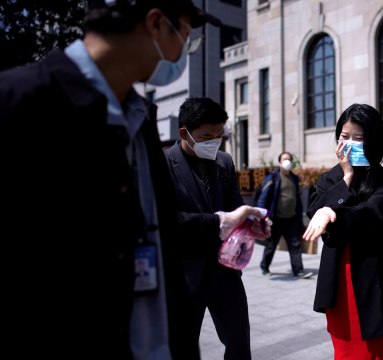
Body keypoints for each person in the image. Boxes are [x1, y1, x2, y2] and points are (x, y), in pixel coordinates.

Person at [0, 0, 238, 358]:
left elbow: (157, 225)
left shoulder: (139, 117)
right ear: (156, 24)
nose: (182, 54)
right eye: (185, 38)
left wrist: (223, 221)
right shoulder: (18, 101)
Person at [302, 103, 383, 359]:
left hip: (378, 280)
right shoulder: (330, 179)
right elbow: (314, 209)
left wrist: (332, 211)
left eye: (359, 138)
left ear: (374, 141)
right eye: (345, 137)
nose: (350, 143)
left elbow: (371, 215)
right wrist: (346, 178)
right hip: (339, 280)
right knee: (347, 350)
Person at [164, 96, 271, 360]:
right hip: (185, 272)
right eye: (206, 136)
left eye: (219, 135)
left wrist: (253, 224)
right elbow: (167, 221)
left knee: (238, 342)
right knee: (183, 347)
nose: (213, 142)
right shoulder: (163, 164)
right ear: (184, 133)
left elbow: (235, 206)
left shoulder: (224, 161)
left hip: (225, 270)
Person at [257, 151, 314, 279]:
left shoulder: (294, 178)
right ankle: (264, 266)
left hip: (292, 218)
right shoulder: (273, 177)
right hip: (276, 219)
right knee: (271, 245)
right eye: (284, 159)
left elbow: (297, 198)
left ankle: (298, 270)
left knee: (295, 245)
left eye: (289, 159)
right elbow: (263, 198)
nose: (287, 161)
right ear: (279, 162)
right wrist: (262, 216)